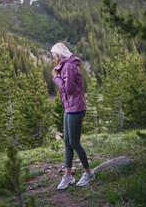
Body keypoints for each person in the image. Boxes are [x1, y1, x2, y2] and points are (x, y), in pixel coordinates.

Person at [51, 42, 95, 190]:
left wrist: (55, 77)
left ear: (59, 55)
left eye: (54, 55)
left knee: (75, 142)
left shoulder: (69, 66)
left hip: (76, 108)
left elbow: (68, 89)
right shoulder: (66, 65)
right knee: (67, 142)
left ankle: (89, 173)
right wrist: (57, 72)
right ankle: (68, 176)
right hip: (70, 107)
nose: (53, 58)